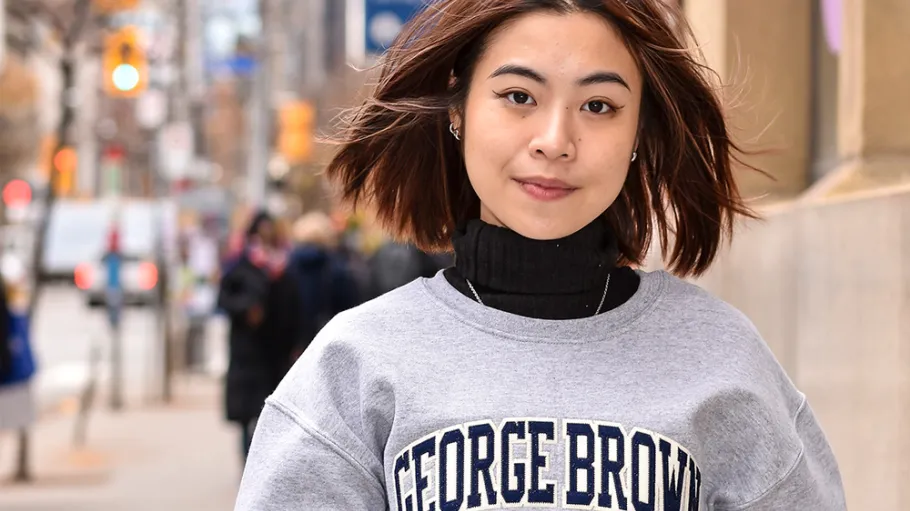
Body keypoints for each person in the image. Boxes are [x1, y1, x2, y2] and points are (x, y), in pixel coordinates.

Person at [235, 1, 846, 509]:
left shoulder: (723, 360)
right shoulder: (355, 369)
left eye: (598, 106)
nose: (555, 141)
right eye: (519, 96)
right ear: (459, 111)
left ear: (639, 135)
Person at [217, 211, 301, 462]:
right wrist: (246, 310)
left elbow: (295, 309)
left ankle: (266, 465)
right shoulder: (240, 266)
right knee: (247, 416)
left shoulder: (285, 267)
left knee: (271, 415)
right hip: (248, 352)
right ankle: (248, 469)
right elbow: (224, 300)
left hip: (277, 353)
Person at [287, 211, 360, 359]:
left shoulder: (288, 266)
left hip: (295, 343)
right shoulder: (336, 267)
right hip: (327, 339)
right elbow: (349, 304)